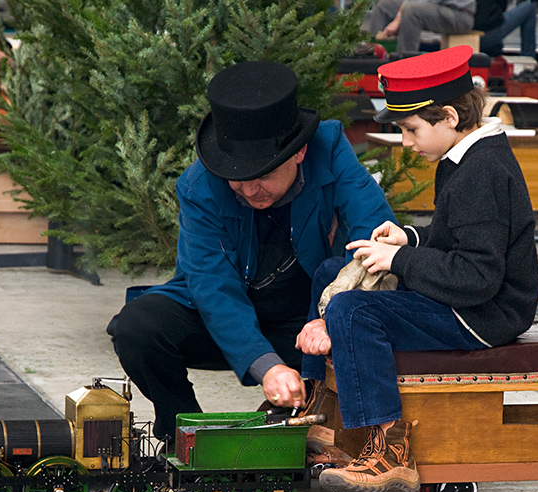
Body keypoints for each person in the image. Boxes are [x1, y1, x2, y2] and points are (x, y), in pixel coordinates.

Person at [107, 61, 395, 445]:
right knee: (137, 327)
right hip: (227, 318)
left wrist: (332, 316)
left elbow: (373, 233)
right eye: (238, 180)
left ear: (298, 153)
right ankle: (184, 432)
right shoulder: (198, 185)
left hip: (308, 320)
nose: (249, 191)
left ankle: (306, 414)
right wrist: (267, 367)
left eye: (262, 176)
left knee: (356, 300)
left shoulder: (329, 149)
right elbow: (212, 286)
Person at [297, 46, 538, 492]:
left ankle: (390, 453)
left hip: (484, 314)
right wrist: (408, 238)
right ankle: (323, 415)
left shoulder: (480, 173)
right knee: (331, 269)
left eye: (412, 129)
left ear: (449, 116)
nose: (406, 142)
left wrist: (401, 261)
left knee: (353, 311)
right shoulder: (464, 157)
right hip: (466, 296)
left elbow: (478, 274)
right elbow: (460, 236)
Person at [361, 0, 476, 53]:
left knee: (411, 11)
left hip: (460, 14)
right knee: (384, 5)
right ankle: (373, 53)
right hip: (438, 7)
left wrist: (398, 19)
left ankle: (404, 63)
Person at [473, 0, 538, 59]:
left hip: (467, 39)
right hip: (484, 36)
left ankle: (494, 48)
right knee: (530, 7)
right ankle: (528, 59)